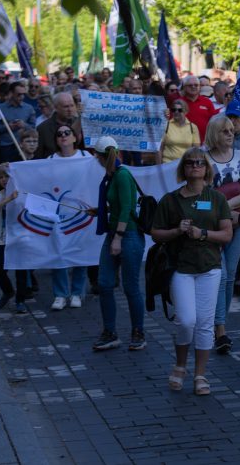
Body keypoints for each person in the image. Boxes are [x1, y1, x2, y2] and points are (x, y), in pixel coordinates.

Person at [151, 148, 233, 396]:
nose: (195, 166)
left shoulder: (216, 198)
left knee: (206, 324)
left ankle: (200, 374)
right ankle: (179, 365)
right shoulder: (170, 200)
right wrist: (177, 231)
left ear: (207, 168)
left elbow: (227, 234)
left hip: (210, 267)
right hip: (181, 267)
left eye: (200, 162)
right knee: (186, 320)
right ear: (183, 168)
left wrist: (203, 234)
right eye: (190, 163)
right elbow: (155, 233)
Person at [203, 115, 240, 354]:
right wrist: (225, 213)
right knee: (220, 275)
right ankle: (219, 329)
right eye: (225, 131)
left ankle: (219, 323)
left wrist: (230, 210)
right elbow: (203, 194)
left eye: (232, 130)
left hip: (238, 222)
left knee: (230, 274)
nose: (231, 134)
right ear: (214, 133)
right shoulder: (203, 158)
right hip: (215, 224)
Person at [92, 136, 147, 352]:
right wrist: (101, 211)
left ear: (100, 156)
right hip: (118, 232)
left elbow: (127, 208)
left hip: (127, 235)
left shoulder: (122, 176)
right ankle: (110, 332)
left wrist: (118, 238)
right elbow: (118, 206)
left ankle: (138, 331)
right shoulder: (113, 175)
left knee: (130, 286)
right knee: (105, 283)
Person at [48, 125, 91, 311]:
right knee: (59, 252)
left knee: (80, 252)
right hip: (59, 213)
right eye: (59, 134)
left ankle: (77, 292)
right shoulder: (50, 159)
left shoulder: (86, 158)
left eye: (67, 133)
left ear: (75, 137)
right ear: (56, 139)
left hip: (82, 212)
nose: (63, 136)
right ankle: (60, 294)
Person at [0, 163, 27, 312]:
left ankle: (21, 301)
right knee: (0, 269)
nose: (4, 180)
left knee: (21, 270)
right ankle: (8, 291)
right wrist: (8, 198)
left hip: (21, 236)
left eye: (6, 176)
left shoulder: (22, 192)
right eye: (1, 177)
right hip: (5, 237)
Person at [0, 81, 37, 163]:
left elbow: (33, 128)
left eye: (23, 94)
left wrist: (24, 125)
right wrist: (7, 127)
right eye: (19, 94)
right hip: (6, 147)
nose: (21, 97)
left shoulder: (29, 108)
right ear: (11, 93)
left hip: (24, 147)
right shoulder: (0, 108)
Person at [34, 92, 81, 159]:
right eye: (66, 106)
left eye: (72, 105)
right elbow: (38, 156)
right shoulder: (43, 129)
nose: (70, 110)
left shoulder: (81, 123)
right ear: (56, 108)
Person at [159, 98, 199, 164]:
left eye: (180, 110)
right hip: (167, 163)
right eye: (174, 110)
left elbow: (196, 150)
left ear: (186, 111)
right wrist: (159, 167)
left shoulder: (193, 127)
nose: (176, 112)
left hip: (185, 164)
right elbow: (159, 149)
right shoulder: (166, 125)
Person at [180, 76, 220, 143]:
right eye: (190, 85)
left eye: (196, 85)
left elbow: (213, 122)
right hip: (183, 143)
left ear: (199, 87)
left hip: (204, 143)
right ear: (184, 87)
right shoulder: (179, 102)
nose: (193, 87)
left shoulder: (207, 102)